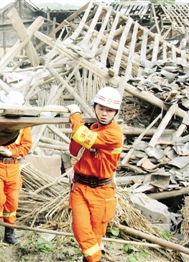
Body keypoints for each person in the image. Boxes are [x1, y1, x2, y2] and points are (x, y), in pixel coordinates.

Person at [66, 86, 123, 262]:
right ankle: (97, 260)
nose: (105, 113)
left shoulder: (114, 134)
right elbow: (74, 150)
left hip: (102, 191)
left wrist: (75, 116)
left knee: (96, 237)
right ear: (94, 108)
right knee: (81, 229)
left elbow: (81, 137)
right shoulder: (93, 129)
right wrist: (83, 130)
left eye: (110, 110)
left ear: (115, 112)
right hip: (81, 188)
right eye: (101, 109)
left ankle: (91, 259)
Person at [0, 91, 32, 244]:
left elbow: (26, 146)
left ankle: (9, 232)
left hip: (13, 166)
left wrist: (11, 152)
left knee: (12, 201)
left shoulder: (24, 126)